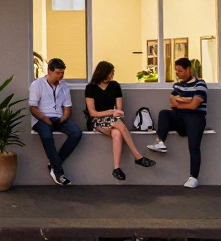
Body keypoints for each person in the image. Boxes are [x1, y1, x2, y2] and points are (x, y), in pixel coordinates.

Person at [85, 61, 155, 181]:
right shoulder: (91, 88)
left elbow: (119, 110)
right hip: (96, 120)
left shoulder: (115, 86)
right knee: (119, 125)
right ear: (102, 73)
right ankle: (137, 156)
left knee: (117, 133)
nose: (112, 75)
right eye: (110, 73)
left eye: (113, 72)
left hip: (113, 120)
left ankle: (116, 168)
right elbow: (93, 113)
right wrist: (111, 112)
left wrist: (115, 112)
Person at [146, 58, 208, 189]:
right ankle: (160, 142)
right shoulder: (177, 85)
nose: (177, 73)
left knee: (194, 146)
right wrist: (188, 100)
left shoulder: (200, 84)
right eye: (176, 71)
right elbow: (172, 102)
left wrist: (181, 101)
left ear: (188, 70)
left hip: (196, 118)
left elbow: (194, 106)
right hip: (181, 118)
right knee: (164, 113)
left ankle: (193, 178)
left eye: (180, 71)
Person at [29, 57, 82, 185]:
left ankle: (54, 163)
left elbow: (67, 107)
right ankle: (58, 172)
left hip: (58, 118)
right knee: (47, 136)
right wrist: (45, 119)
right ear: (49, 71)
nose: (60, 76)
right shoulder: (37, 84)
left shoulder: (64, 86)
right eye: (58, 73)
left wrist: (63, 118)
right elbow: (33, 108)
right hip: (41, 118)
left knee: (76, 132)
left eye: (62, 73)